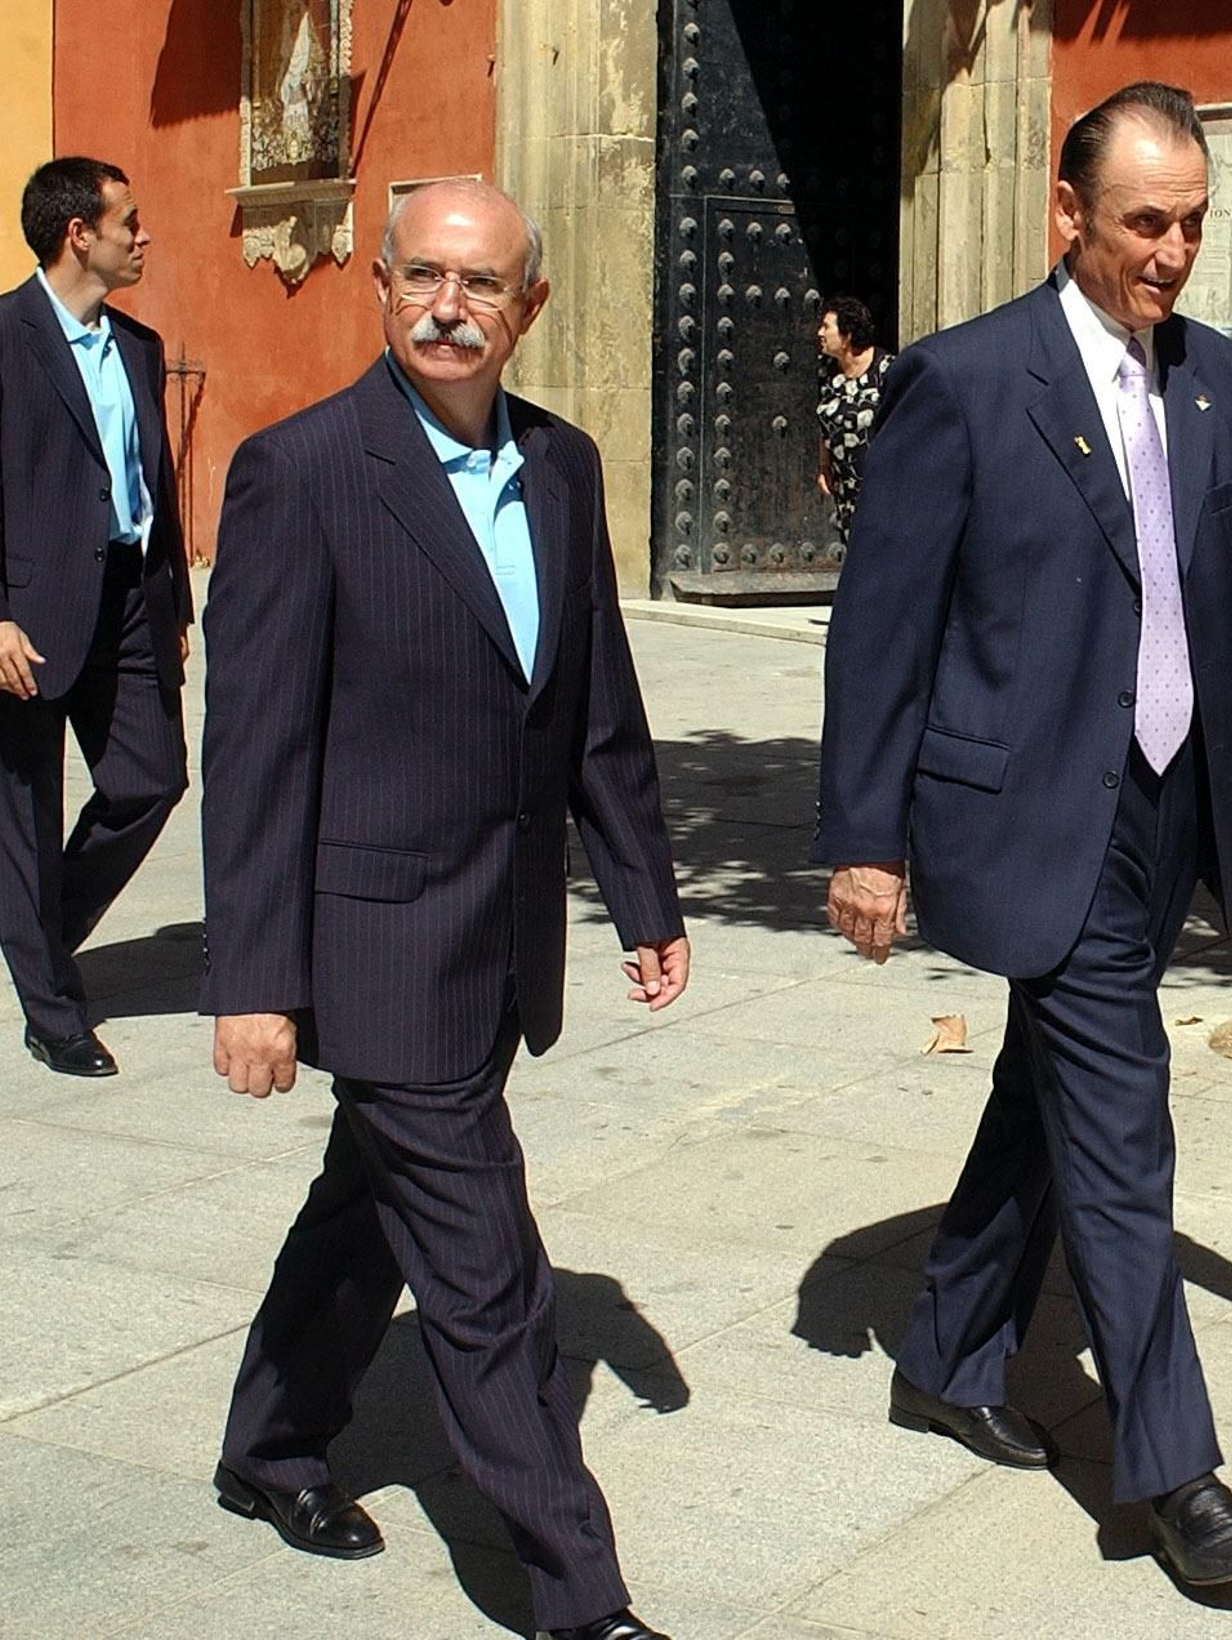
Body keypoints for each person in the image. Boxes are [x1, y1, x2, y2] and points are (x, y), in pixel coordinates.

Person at [813, 82, 1232, 1589]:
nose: (1173, 252)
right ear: (1070, 217)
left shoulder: (1218, 385)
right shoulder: (967, 383)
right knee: (1121, 1123)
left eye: (1191, 223)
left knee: (1055, 1081)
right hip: (1030, 804)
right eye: (1144, 224)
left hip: (1169, 806)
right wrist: (865, 837)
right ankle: (1173, 1471)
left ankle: (953, 1346)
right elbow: (882, 626)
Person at [200, 179, 689, 1640]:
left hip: (501, 933)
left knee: (368, 1211)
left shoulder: (560, 466)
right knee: (490, 1277)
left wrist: (643, 895)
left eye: (480, 286)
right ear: (383, 287)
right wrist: (250, 978)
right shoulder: (306, 470)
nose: (447, 307)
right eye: (421, 277)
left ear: (527, 308)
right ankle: (576, 1598)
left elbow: (593, 710)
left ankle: (269, 1444)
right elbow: (256, 753)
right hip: (376, 931)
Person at [0, 157, 191, 1079]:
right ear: (80, 232)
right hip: (26, 614)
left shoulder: (141, 347)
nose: (143, 236)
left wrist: (175, 602)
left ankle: (31, 930)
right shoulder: (3, 337)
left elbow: (158, 482)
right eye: (131, 221)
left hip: (128, 599)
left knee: (152, 779)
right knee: (24, 813)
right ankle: (52, 1009)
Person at [815, 295, 894, 541]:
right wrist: (824, 466)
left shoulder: (886, 370)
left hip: (882, 487)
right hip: (846, 489)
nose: (820, 332)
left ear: (847, 335)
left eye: (826, 327)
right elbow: (825, 425)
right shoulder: (828, 372)